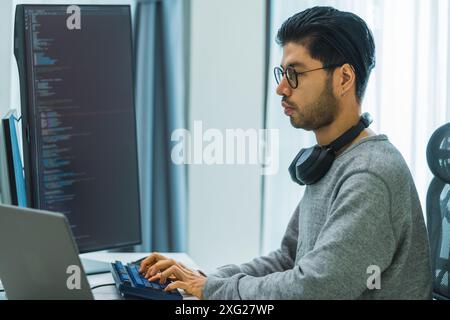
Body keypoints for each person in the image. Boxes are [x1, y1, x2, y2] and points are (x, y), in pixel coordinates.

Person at [139, 6, 432, 299]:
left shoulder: (369, 175)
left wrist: (213, 289)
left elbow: (315, 288)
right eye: (282, 73)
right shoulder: (331, 158)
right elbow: (288, 259)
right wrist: (204, 279)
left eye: (295, 74)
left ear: (343, 79)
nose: (281, 88)